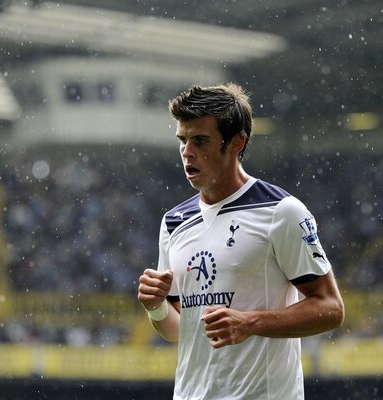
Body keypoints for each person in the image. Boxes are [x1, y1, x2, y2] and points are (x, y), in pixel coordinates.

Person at [138, 83, 345, 400]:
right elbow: (184, 332)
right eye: (183, 140)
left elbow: (331, 308)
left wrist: (251, 322)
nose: (187, 151)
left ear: (236, 143)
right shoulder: (174, 222)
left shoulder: (281, 212)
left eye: (200, 140)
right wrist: (155, 309)